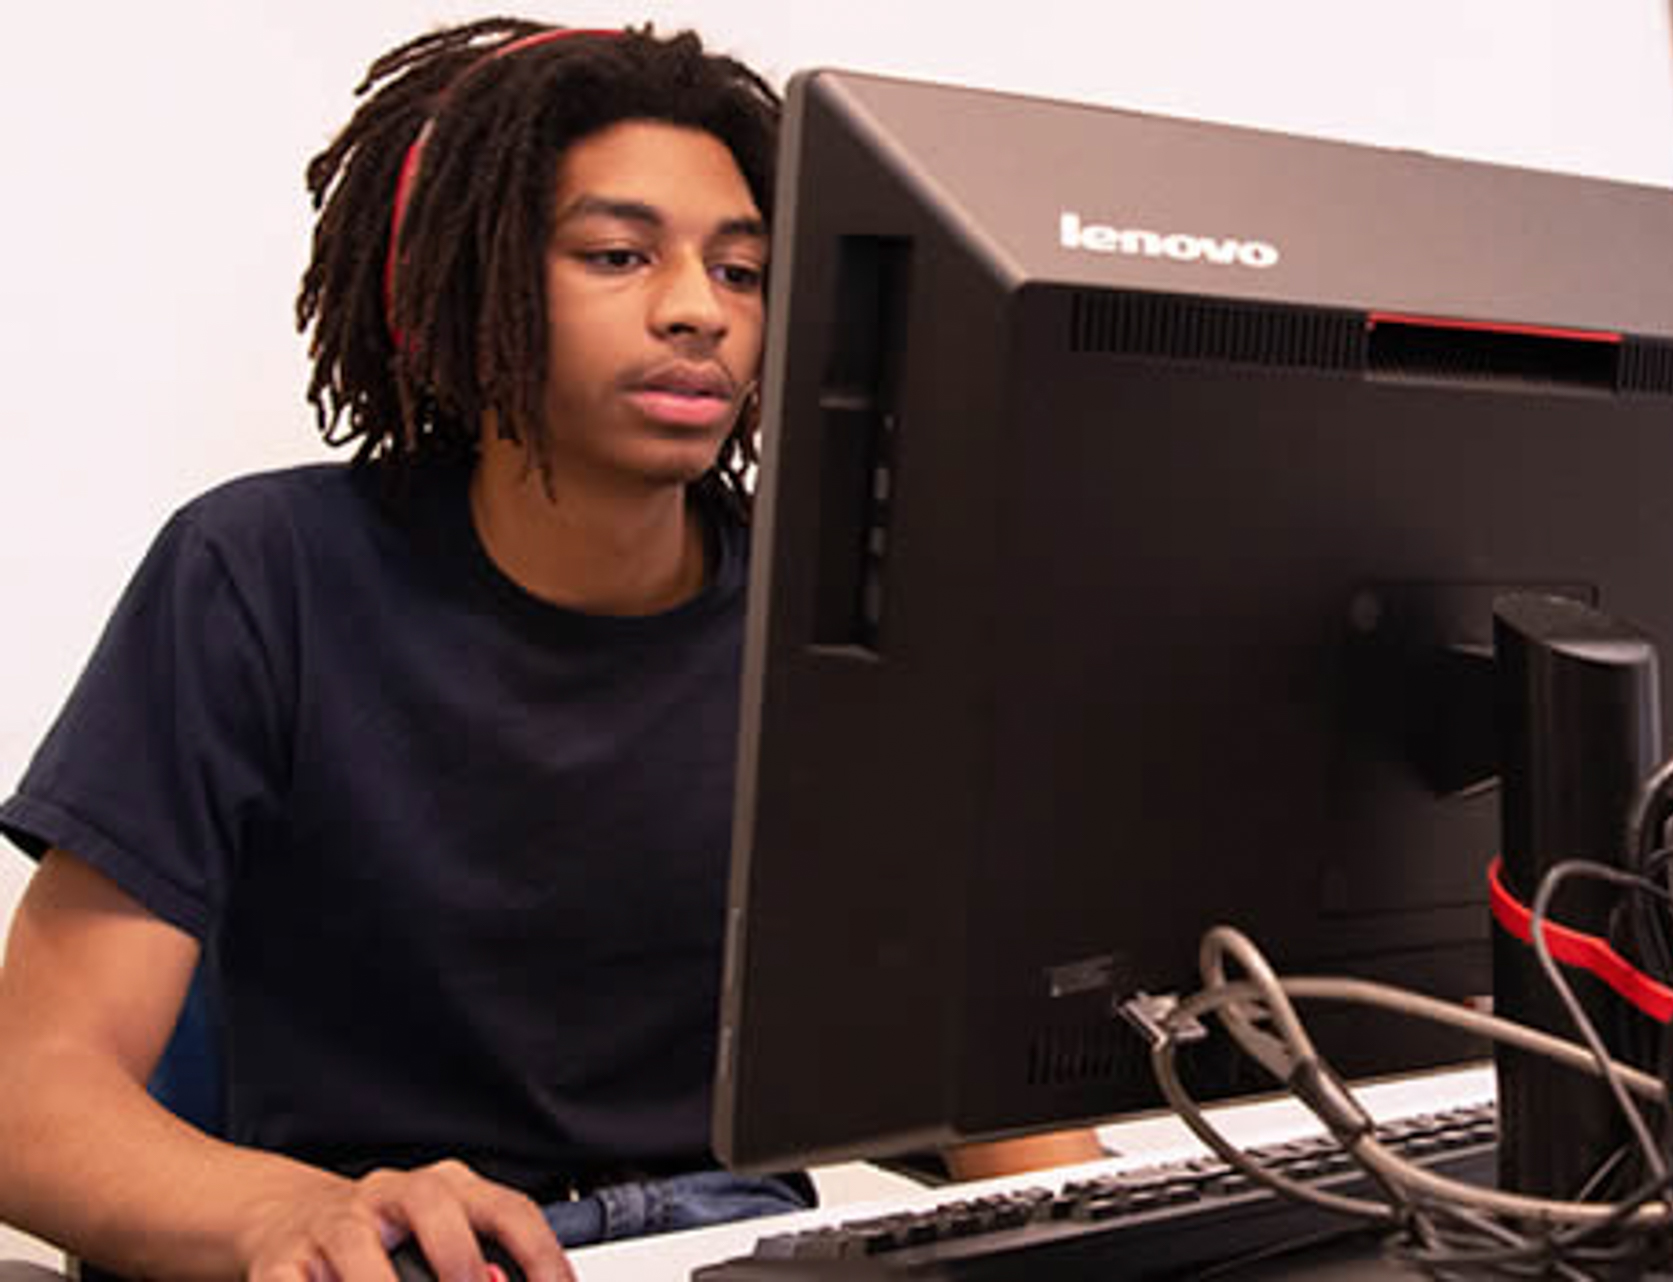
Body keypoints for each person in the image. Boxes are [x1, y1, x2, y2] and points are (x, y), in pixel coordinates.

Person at [0, 17, 1095, 1282]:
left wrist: (1154, 1222)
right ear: (464, 289)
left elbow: (954, 1074)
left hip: (736, 1239)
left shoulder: (840, 618)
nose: (699, 312)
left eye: (744, 272)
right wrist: (282, 1213)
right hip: (397, 1245)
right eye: (619, 255)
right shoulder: (259, 574)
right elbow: (34, 1099)